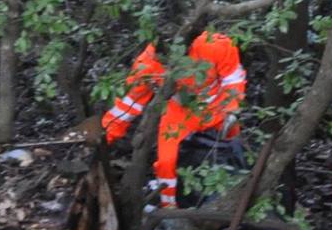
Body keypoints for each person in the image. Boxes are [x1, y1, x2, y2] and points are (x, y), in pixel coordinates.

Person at [99, 31, 246, 208]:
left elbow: (233, 79)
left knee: (232, 153)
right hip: (178, 113)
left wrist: (232, 110)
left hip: (218, 109)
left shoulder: (214, 45)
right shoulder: (147, 64)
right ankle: (170, 208)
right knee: (167, 163)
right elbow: (129, 104)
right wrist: (104, 138)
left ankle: (236, 197)